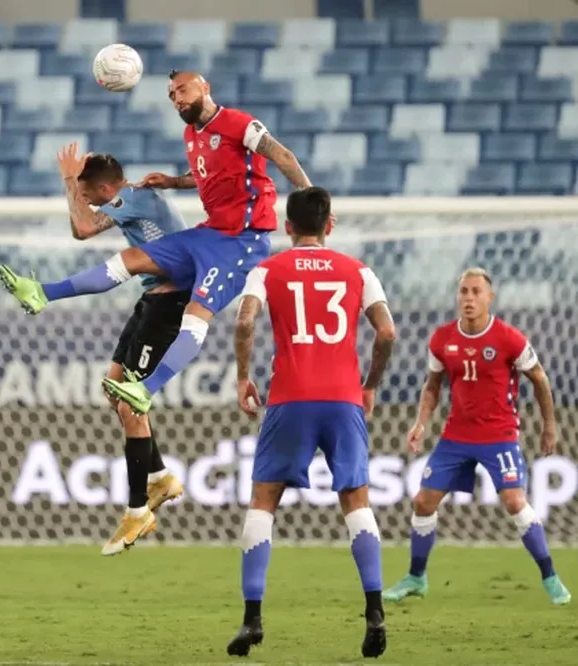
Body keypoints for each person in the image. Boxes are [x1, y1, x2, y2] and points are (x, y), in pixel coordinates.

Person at [0, 70, 315, 417]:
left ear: (205, 87)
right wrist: (173, 181)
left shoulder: (238, 123)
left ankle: (145, 390)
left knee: (195, 317)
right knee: (132, 258)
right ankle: (43, 293)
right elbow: (209, 175)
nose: (176, 98)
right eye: (171, 94)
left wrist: (313, 200)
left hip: (242, 243)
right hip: (210, 232)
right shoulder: (192, 135)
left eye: (182, 89)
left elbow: (282, 156)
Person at [229, 187, 395, 659]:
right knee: (356, 502)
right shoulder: (359, 271)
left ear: (287, 228)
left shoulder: (267, 270)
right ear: (330, 225)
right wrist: (371, 384)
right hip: (344, 400)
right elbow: (387, 331)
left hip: (291, 397)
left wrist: (244, 376)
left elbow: (244, 324)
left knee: (264, 501)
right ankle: (375, 610)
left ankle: (252, 619)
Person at [382, 268, 570, 606]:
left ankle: (550, 575)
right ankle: (416, 577)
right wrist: (420, 422)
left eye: (476, 292)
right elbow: (432, 385)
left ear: (489, 297)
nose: (468, 298)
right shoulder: (441, 340)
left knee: (514, 501)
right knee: (423, 502)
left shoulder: (509, 338)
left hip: (499, 435)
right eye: (464, 292)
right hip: (457, 435)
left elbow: (539, 379)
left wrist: (549, 426)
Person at [53, 143, 189, 554]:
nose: (87, 199)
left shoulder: (131, 198)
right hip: (153, 297)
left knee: (132, 404)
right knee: (115, 389)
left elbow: (82, 228)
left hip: (170, 304)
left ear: (106, 187)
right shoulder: (132, 199)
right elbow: (87, 221)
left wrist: (67, 180)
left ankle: (136, 512)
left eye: (88, 191)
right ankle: (161, 477)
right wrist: (77, 182)